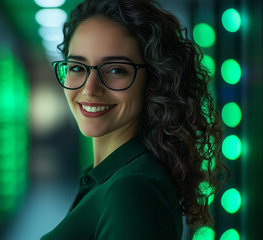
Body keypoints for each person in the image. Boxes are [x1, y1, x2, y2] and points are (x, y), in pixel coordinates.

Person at [42, 0, 230, 239]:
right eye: (77, 67)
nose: (90, 89)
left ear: (154, 80)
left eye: (115, 70)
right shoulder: (109, 176)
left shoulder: (132, 189)